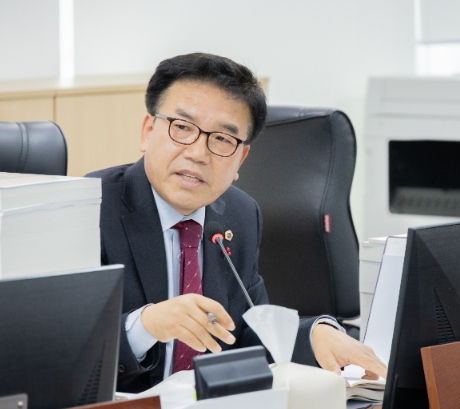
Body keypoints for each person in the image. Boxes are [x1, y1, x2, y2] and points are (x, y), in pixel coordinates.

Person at [88, 52, 387, 392]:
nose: (198, 153)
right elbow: (64, 351)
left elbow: (247, 334)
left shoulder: (239, 214)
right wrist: (146, 326)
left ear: (240, 158)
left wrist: (314, 334)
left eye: (222, 139)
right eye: (182, 127)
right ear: (147, 131)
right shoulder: (89, 210)